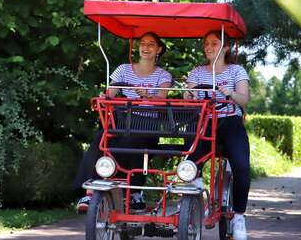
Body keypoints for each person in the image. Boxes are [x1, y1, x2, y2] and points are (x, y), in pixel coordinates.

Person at [74, 31, 172, 213]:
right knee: (101, 140)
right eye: (143, 43)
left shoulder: (163, 75)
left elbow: (162, 99)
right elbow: (110, 93)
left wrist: (148, 96)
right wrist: (105, 96)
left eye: (151, 44)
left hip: (147, 123)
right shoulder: (123, 69)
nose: (146, 47)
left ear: (159, 49)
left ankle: (133, 190)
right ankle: (90, 190)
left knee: (131, 141)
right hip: (122, 119)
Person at [184, 30, 250, 240]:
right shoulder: (197, 72)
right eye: (206, 44)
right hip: (204, 121)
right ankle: (196, 187)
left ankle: (238, 216)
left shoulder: (236, 71)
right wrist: (189, 93)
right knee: (189, 159)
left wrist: (228, 92)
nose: (209, 47)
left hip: (230, 121)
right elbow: (187, 97)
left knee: (241, 166)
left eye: (214, 43)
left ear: (226, 48)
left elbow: (244, 99)